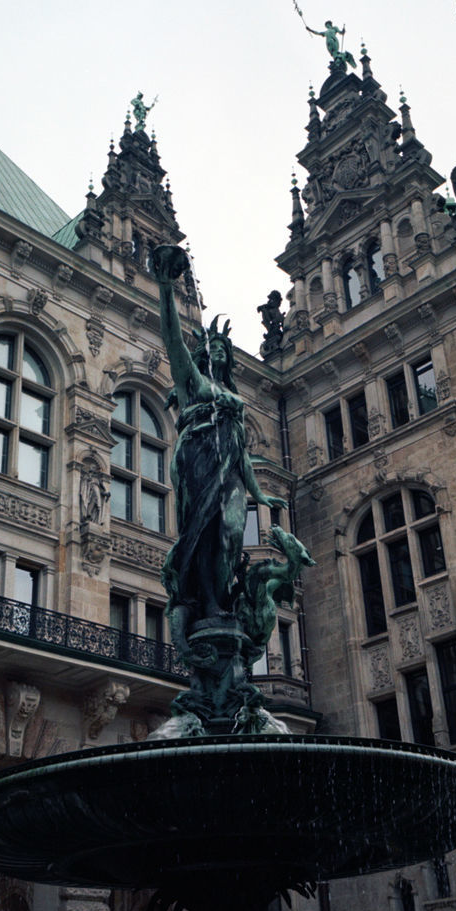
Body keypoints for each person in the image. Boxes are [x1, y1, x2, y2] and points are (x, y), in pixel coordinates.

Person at [152, 246, 285, 657]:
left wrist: (260, 495)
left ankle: (220, 600)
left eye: (225, 350)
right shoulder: (194, 383)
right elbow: (173, 341)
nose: (220, 353)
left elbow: (242, 451)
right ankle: (208, 602)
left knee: (230, 534)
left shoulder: (230, 395)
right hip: (198, 461)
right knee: (208, 534)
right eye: (213, 350)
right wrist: (164, 289)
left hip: (228, 470)